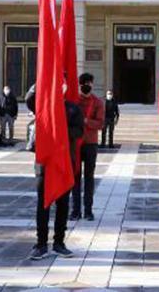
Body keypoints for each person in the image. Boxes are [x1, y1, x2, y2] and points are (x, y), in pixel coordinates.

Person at [25, 85, 84, 260]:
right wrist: (40, 84)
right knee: (43, 204)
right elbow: (29, 99)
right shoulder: (42, 104)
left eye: (62, 81)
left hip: (64, 161)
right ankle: (41, 244)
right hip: (44, 162)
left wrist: (60, 130)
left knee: (63, 204)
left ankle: (59, 242)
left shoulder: (72, 108)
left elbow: (79, 130)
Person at [71, 73, 104, 221]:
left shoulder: (97, 102)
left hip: (90, 144)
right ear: (79, 85)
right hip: (76, 144)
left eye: (89, 83)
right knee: (75, 178)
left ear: (92, 84)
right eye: (84, 83)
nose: (86, 86)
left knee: (89, 178)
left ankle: (88, 211)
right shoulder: (74, 101)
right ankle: (75, 210)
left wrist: (86, 121)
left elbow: (100, 123)